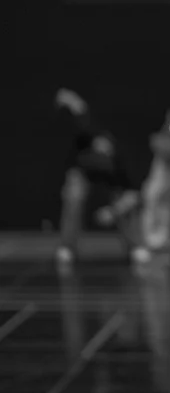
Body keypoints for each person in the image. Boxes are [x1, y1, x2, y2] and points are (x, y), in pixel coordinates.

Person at [54, 88, 138, 266]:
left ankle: (135, 246)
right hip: (81, 173)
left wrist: (113, 211)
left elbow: (132, 195)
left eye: (106, 150)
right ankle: (67, 247)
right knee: (74, 196)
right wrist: (72, 100)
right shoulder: (88, 136)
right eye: (99, 146)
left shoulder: (119, 165)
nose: (102, 150)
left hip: (111, 181)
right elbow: (81, 112)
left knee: (122, 202)